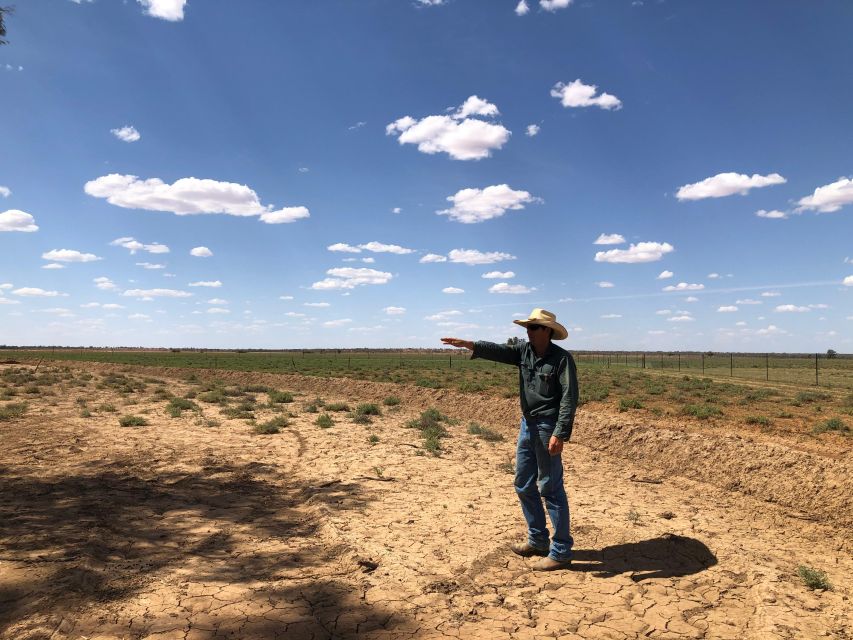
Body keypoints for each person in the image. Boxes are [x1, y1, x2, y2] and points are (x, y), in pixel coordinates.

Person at [441, 308, 578, 571]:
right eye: (527, 327)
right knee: (523, 483)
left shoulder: (561, 359)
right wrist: (469, 344)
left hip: (547, 426)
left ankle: (561, 551)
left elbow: (569, 398)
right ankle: (538, 540)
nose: (528, 331)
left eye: (534, 327)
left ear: (547, 331)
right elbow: (498, 351)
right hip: (527, 425)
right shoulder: (523, 352)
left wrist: (560, 432)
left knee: (550, 487)